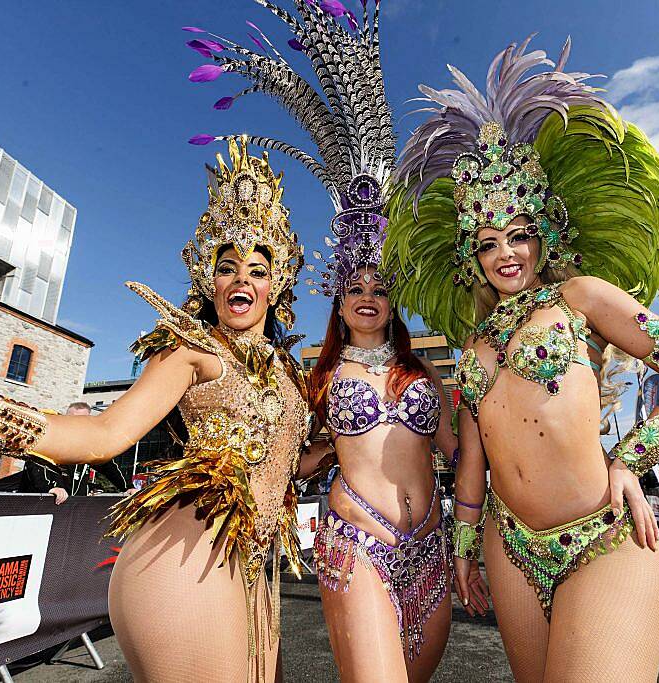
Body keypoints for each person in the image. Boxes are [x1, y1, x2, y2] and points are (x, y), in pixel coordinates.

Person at [0, 137, 313, 682]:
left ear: (279, 281)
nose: (242, 278)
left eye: (258, 268)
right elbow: (104, 433)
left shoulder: (289, 373)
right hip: (185, 556)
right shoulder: (196, 350)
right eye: (227, 265)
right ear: (208, 280)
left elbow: (283, 467)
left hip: (249, 571)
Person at [384, 37, 659, 681]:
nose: (505, 253)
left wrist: (630, 461)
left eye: (518, 234)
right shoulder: (474, 344)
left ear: (545, 233)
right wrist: (463, 548)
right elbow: (475, 457)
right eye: (488, 243)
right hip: (509, 550)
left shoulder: (582, 298)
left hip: (602, 534)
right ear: (470, 256)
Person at [187, 7, 458, 678]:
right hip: (354, 538)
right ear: (338, 294)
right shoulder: (317, 373)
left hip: (431, 545)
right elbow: (291, 447)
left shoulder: (422, 372)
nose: (367, 294)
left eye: (380, 284)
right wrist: (240, 482)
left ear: (393, 297)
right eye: (354, 283)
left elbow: (462, 445)